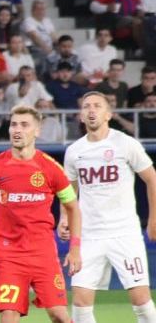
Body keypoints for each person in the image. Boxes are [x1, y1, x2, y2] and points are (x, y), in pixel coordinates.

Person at [0, 105, 82, 323]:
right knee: (9, 316)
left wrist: (74, 249)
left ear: (37, 130)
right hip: (9, 255)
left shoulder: (51, 168)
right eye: (13, 124)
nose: (17, 129)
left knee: (59, 315)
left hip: (43, 252)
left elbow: (73, 207)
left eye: (24, 125)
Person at [62, 91, 156, 323]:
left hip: (124, 232)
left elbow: (152, 178)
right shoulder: (74, 151)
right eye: (86, 107)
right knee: (81, 301)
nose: (91, 110)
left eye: (97, 106)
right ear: (81, 116)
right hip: (88, 235)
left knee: (140, 298)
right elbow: (68, 191)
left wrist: (154, 219)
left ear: (108, 114)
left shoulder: (125, 144)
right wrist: (64, 218)